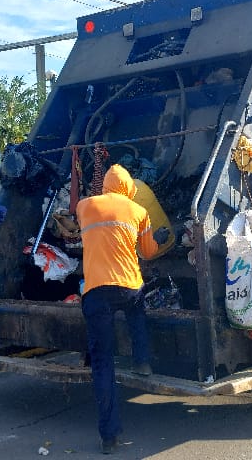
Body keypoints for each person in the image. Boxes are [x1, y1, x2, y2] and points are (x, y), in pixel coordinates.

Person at [75, 164, 169, 454]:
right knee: (137, 311)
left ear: (104, 185)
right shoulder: (138, 211)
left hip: (95, 291)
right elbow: (148, 252)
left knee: (103, 364)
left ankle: (109, 437)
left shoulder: (84, 206)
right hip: (128, 287)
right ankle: (142, 361)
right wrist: (159, 238)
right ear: (129, 187)